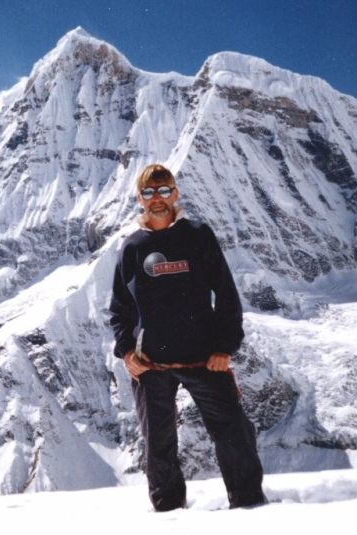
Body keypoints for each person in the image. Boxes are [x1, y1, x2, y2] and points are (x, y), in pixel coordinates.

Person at [109, 163, 267, 511]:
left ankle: (250, 507)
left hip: (204, 358)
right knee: (158, 446)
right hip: (151, 365)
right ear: (139, 198)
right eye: (149, 192)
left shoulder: (197, 235)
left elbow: (226, 292)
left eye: (164, 190)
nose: (157, 199)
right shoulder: (133, 248)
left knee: (234, 434)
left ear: (175, 193)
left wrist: (225, 347)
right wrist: (126, 352)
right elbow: (120, 307)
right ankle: (168, 515)